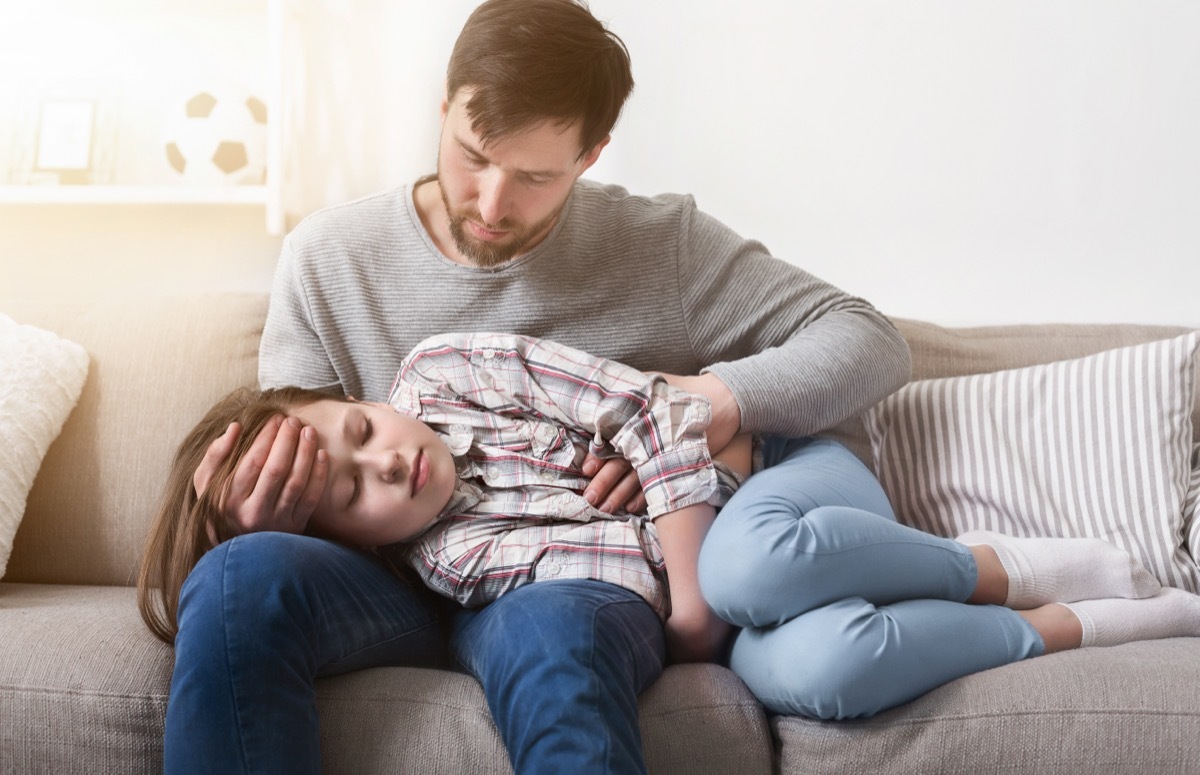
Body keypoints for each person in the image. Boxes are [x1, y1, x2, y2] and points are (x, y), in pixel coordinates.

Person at [166, 1, 914, 773]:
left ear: (591, 155)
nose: (491, 204)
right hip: (392, 578)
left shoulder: (664, 247)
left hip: (566, 577)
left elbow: (866, 339)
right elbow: (311, 459)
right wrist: (251, 521)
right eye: (471, 154)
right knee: (236, 579)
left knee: (552, 636)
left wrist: (700, 404)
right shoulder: (328, 259)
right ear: (444, 107)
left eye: (533, 176)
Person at [141, 332, 749, 666]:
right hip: (730, 530)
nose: (388, 462)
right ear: (359, 544)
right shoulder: (452, 559)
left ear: (366, 402)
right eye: (354, 491)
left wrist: (672, 464)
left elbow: (649, 408)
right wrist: (689, 479)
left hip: (761, 467)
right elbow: (645, 569)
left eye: (365, 432)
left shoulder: (441, 372)